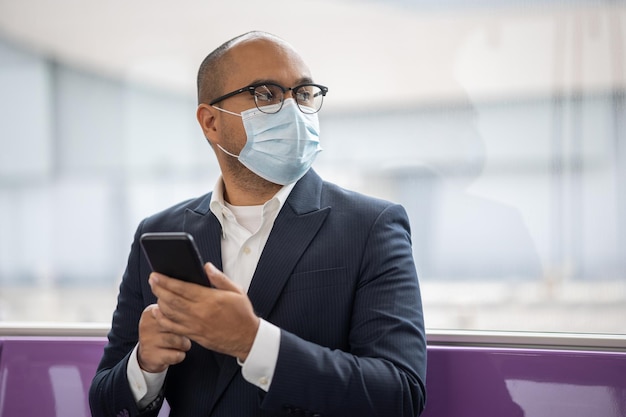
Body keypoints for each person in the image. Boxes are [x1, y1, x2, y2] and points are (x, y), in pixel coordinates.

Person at [89, 30, 427, 417]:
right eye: (266, 94)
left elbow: (400, 395)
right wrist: (145, 364)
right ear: (211, 122)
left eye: (302, 94)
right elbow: (104, 403)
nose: (292, 109)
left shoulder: (372, 227)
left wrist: (252, 342)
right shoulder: (159, 232)